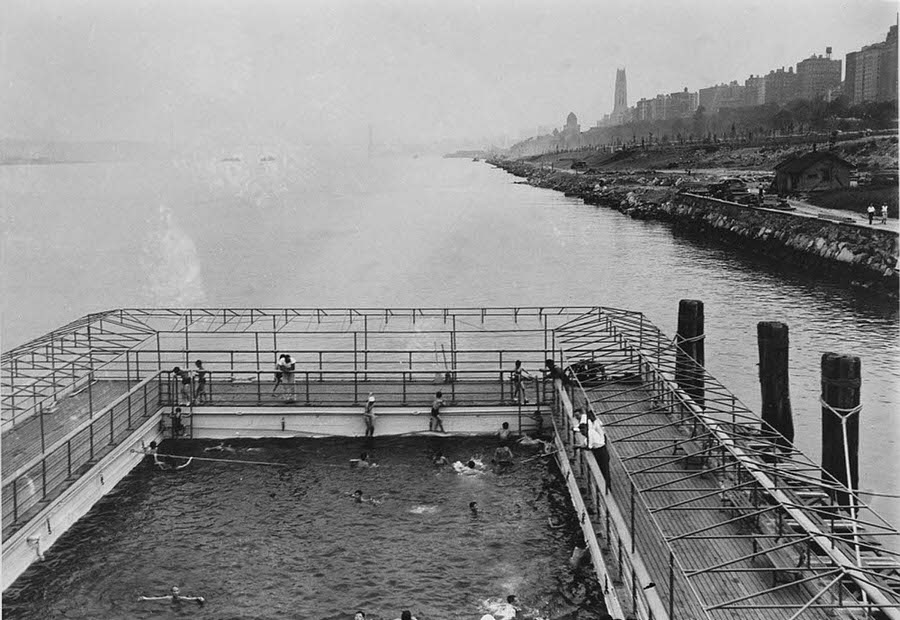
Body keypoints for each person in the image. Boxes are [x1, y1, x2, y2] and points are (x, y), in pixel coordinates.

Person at [579, 409, 611, 493]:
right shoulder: (591, 426)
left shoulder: (596, 425)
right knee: (602, 469)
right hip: (599, 445)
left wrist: (579, 447)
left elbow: (589, 446)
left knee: (604, 469)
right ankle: (604, 486)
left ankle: (607, 488)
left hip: (600, 449)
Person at [139, 585, 204, 606]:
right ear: (172, 592)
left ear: (179, 591)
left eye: (177, 591)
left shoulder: (181, 598)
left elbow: (191, 599)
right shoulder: (168, 597)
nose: (176, 592)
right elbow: (157, 598)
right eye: (174, 591)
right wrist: (146, 598)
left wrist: (199, 598)